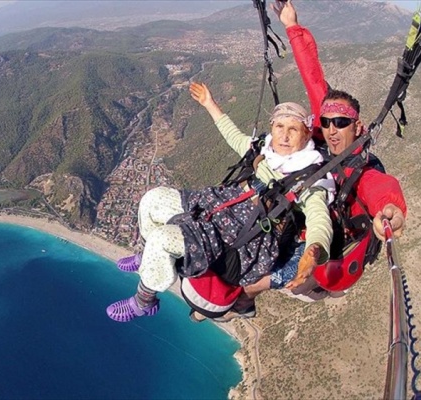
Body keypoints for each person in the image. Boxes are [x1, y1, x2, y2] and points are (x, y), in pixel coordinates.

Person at [223, 0, 408, 319]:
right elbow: (313, 77)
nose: (333, 129)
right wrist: (291, 25)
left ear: (358, 127)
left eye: (341, 123)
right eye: (327, 121)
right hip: (297, 227)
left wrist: (390, 211)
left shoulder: (358, 169)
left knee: (262, 280)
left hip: (326, 264)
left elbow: (381, 187)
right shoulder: (318, 139)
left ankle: (243, 297)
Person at [106, 81, 335, 322]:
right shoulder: (264, 150)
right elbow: (233, 136)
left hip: (240, 240)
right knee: (153, 200)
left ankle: (144, 300)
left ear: (307, 133)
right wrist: (209, 104)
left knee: (162, 240)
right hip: (218, 207)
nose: (284, 136)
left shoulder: (309, 178)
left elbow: (320, 219)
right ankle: (147, 257)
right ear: (272, 127)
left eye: (294, 129)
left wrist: (314, 249)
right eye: (280, 126)